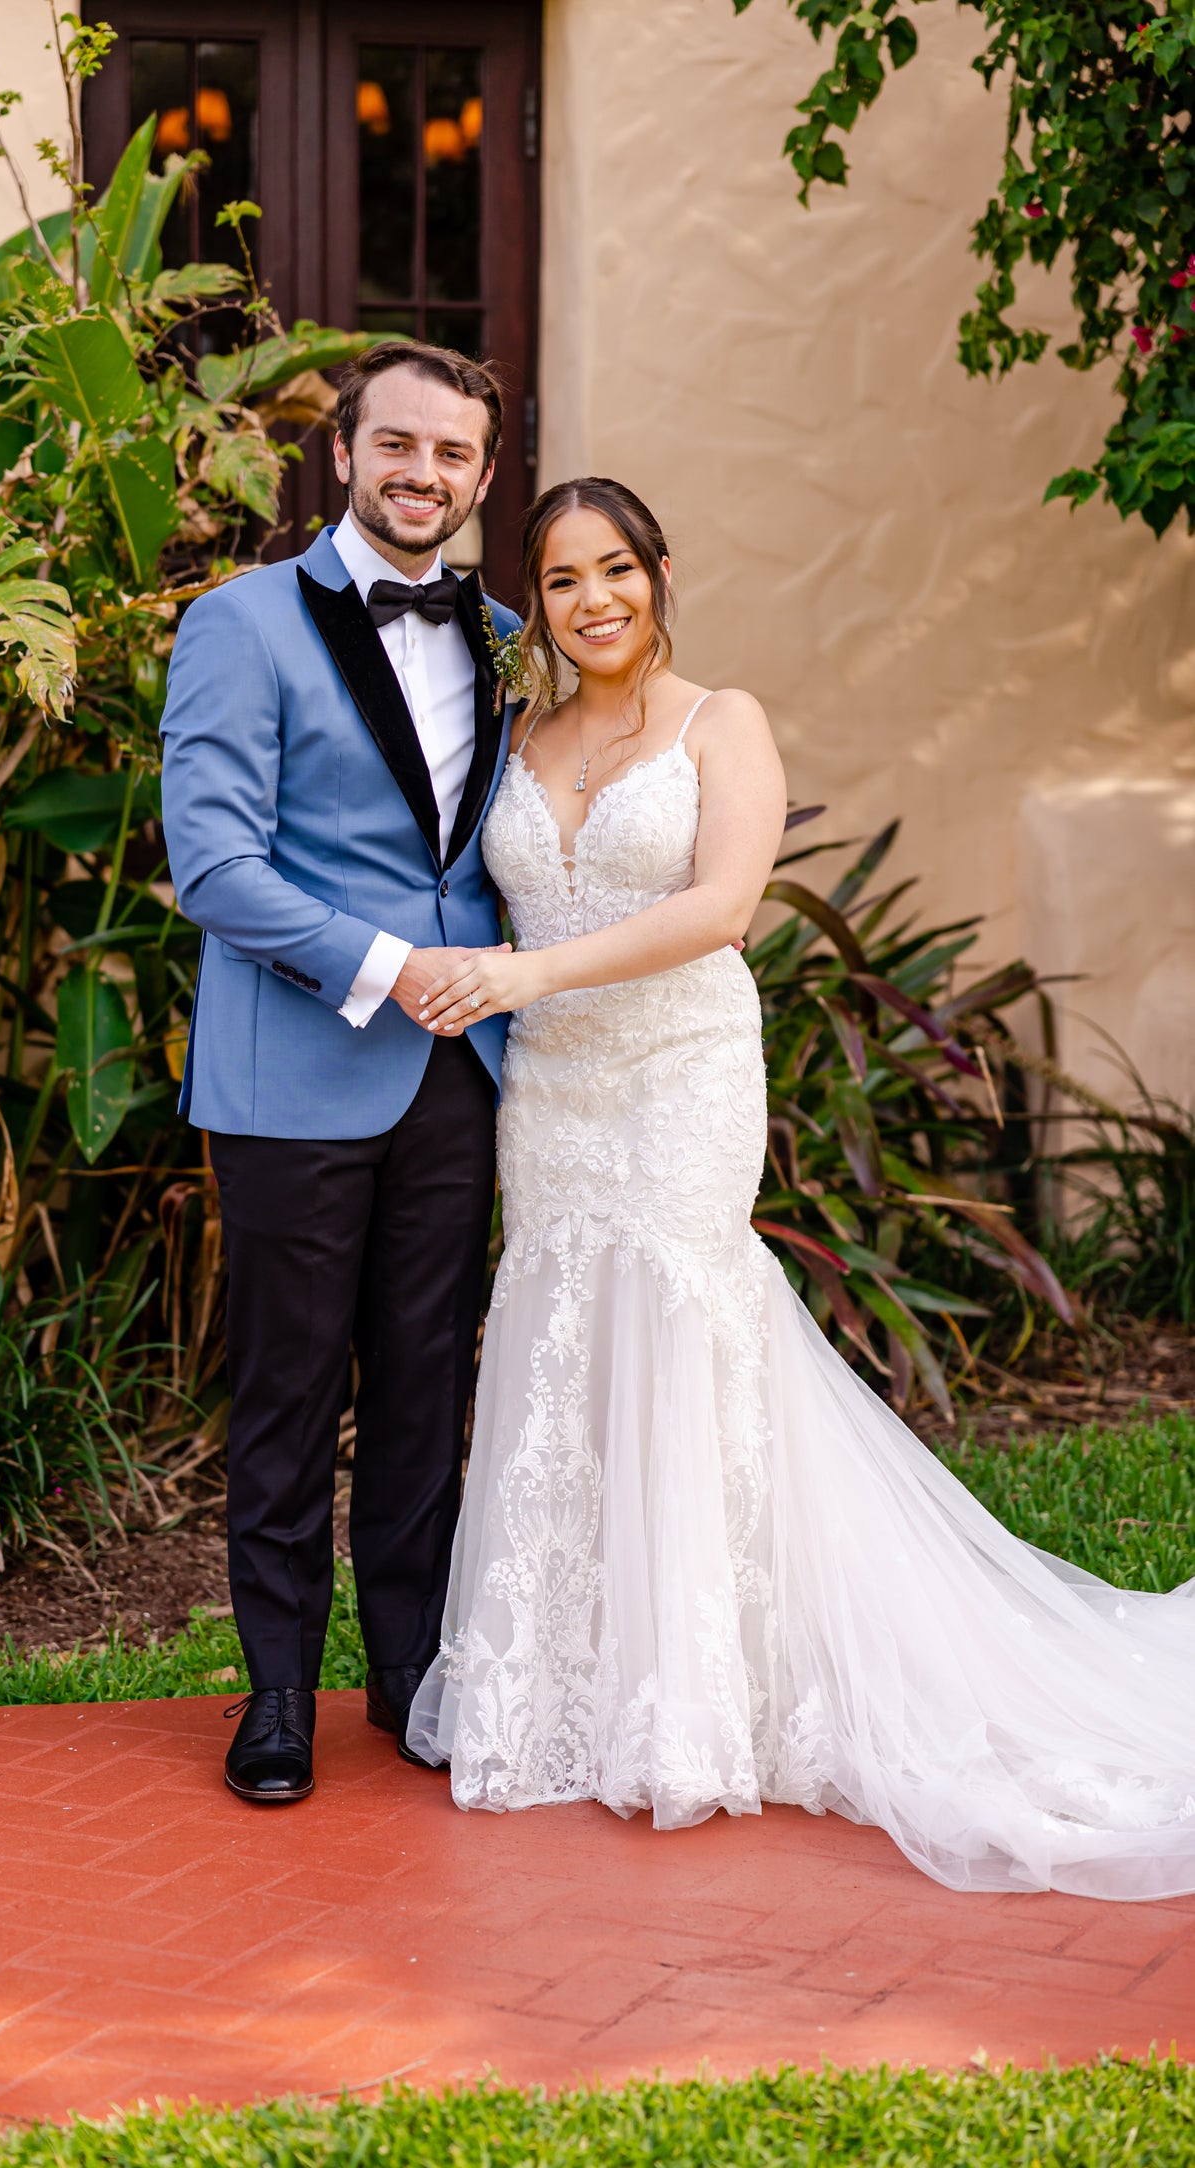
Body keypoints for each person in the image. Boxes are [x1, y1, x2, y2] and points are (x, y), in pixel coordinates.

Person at [404, 476, 1195, 1901]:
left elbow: (716, 911)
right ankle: (568, 1689)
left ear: (658, 571)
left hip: (678, 1073)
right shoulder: (517, 737)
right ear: (536, 597)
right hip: (557, 1095)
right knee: (566, 1328)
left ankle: (703, 1696)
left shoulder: (726, 723)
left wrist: (524, 976)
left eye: (617, 570)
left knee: (679, 1322)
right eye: (564, 578)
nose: (593, 602)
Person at [159, 341, 519, 1805]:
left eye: (450, 455)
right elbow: (214, 867)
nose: (421, 474)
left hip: (462, 1074)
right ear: (344, 453)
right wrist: (388, 972)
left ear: (483, 478)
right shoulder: (238, 626)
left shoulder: (508, 634)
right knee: (290, 1391)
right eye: (397, 446)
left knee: (428, 1389)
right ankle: (277, 1700)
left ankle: (413, 1682)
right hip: (298, 1068)